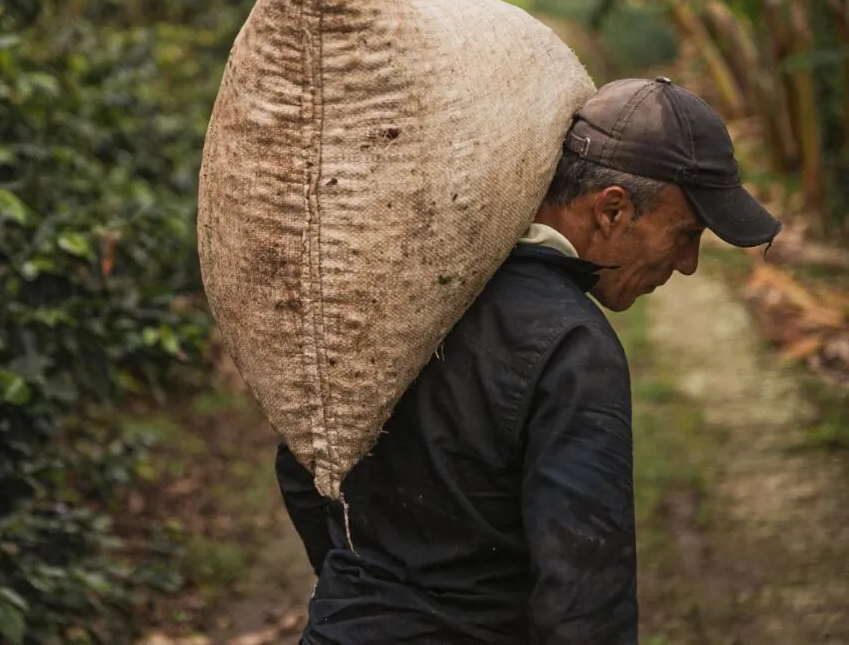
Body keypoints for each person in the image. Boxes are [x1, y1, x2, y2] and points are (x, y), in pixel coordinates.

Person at [274, 77, 783, 645]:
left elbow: (301, 468)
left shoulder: (391, 288)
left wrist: (369, 594)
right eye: (686, 233)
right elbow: (585, 598)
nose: (688, 263)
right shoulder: (572, 346)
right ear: (612, 210)